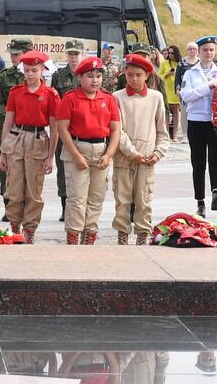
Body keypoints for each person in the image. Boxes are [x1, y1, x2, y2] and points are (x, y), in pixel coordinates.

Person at [55, 56, 120, 245]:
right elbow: (62, 129)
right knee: (76, 197)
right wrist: (75, 156)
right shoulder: (70, 98)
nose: (95, 80)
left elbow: (116, 130)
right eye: (90, 76)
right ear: (80, 78)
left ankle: (90, 234)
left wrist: (109, 155)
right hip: (77, 148)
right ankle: (73, 236)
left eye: (98, 76)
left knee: (96, 197)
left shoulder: (108, 99)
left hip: (101, 149)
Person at [0, 50, 57, 243]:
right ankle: (15, 225)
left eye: (34, 70)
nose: (30, 74)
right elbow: (7, 123)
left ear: (42, 70)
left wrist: (50, 157)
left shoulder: (50, 94)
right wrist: (3, 153)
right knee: (14, 187)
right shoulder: (16, 92)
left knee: (33, 188)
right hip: (17, 138)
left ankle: (30, 228)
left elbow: (54, 128)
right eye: (27, 70)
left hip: (38, 139)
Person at [111, 53, 170, 245]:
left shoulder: (156, 98)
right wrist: (131, 152)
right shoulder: (117, 97)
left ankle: (142, 237)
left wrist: (157, 153)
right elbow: (117, 130)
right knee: (122, 200)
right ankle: (122, 237)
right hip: (123, 158)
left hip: (146, 159)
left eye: (138, 75)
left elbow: (162, 131)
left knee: (144, 201)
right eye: (129, 75)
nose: (134, 79)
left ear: (146, 75)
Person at [178, 35, 217, 217]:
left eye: (211, 50)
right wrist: (207, 87)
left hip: (214, 121)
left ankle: (216, 192)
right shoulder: (190, 73)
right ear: (198, 52)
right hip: (196, 120)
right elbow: (186, 95)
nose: (208, 53)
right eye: (205, 50)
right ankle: (200, 201)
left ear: (216, 52)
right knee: (198, 163)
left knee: (215, 158)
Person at [50, 40, 86, 221]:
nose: (73, 57)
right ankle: (65, 206)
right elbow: (54, 101)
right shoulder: (58, 76)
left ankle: (81, 206)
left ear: (82, 54)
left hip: (83, 128)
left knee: (83, 167)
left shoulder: (87, 75)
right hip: (63, 129)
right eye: (70, 54)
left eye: (76, 54)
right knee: (63, 168)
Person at [0, 38, 28, 194]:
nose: (13, 57)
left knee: (28, 166)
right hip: (6, 128)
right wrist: (10, 119)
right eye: (11, 54)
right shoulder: (4, 76)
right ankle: (8, 200)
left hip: (29, 129)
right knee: (5, 164)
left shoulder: (36, 76)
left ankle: (26, 202)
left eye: (17, 54)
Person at [158, 45, 182, 142]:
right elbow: (159, 76)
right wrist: (167, 74)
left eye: (172, 53)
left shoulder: (180, 63)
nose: (170, 55)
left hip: (176, 90)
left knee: (176, 112)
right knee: (166, 112)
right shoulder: (164, 63)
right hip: (167, 89)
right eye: (169, 53)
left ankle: (175, 133)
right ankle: (167, 133)